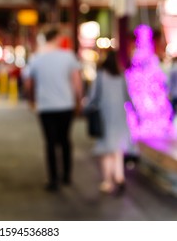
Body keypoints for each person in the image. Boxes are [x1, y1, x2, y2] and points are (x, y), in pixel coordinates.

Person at [24, 27, 82, 191]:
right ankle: (67, 176)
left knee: (50, 142)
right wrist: (79, 100)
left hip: (46, 106)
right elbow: (77, 82)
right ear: (57, 38)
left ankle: (53, 179)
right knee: (65, 140)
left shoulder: (36, 58)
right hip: (66, 105)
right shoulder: (68, 56)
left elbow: (28, 83)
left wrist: (31, 100)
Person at [86, 50, 131, 195]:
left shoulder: (100, 76)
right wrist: (136, 112)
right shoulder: (121, 75)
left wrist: (85, 108)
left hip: (104, 116)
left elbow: (93, 98)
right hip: (119, 116)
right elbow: (127, 96)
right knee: (117, 149)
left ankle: (108, 181)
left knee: (106, 150)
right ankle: (119, 176)